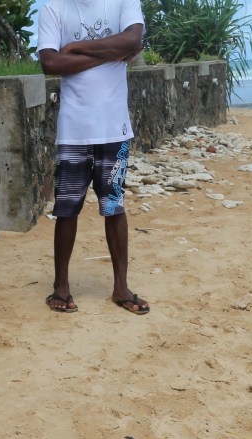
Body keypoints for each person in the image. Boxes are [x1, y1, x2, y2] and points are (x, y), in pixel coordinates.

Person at [37, 0, 150, 315]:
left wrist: (76, 48)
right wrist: (112, 51)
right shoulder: (53, 8)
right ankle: (61, 286)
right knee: (67, 208)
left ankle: (121, 287)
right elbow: (50, 63)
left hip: (115, 129)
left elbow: (133, 40)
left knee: (114, 207)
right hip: (74, 130)